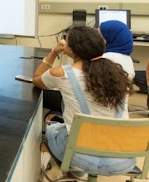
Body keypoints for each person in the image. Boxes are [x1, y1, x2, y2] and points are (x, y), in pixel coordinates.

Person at [34, 26, 135, 176]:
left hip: (80, 154)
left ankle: (72, 169)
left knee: (51, 130)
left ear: (70, 50)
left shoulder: (62, 73)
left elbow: (37, 79)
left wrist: (54, 52)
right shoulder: (118, 73)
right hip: (121, 156)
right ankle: (78, 172)